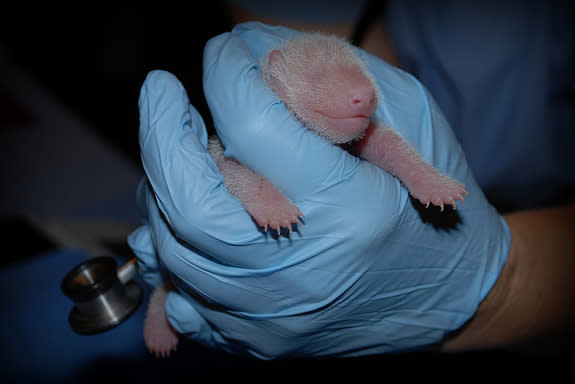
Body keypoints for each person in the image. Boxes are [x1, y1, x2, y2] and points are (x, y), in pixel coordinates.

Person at [128, 5, 574, 359]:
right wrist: (262, 194)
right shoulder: (255, 119)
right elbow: (230, 170)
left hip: (541, 210)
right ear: (276, 74)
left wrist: (424, 178)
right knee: (184, 260)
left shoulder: (356, 114)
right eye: (321, 77)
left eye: (358, 74)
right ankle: (159, 306)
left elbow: (388, 147)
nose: (363, 93)